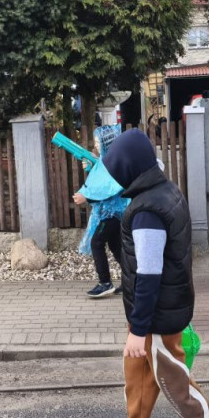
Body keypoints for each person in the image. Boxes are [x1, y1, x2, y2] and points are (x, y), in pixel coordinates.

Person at [94, 128, 209, 418]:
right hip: (159, 308)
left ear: (129, 170)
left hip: (158, 314)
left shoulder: (145, 211)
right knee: (139, 377)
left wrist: (139, 328)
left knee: (175, 384)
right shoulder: (163, 191)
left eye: (116, 172)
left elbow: (149, 274)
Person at [72, 125, 128, 299]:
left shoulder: (114, 162)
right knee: (115, 246)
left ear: (107, 141)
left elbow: (108, 188)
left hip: (113, 213)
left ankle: (105, 283)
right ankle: (132, 281)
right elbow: (100, 179)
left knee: (97, 242)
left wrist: (87, 197)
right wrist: (90, 167)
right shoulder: (108, 159)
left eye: (99, 141)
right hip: (110, 213)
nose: (96, 145)